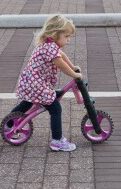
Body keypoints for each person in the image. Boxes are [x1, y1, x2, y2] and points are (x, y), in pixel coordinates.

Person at [8, 14, 82, 152]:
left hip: (30, 81)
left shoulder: (49, 44)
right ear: (55, 34)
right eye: (66, 36)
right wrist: (74, 74)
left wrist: (73, 67)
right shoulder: (50, 48)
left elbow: (62, 56)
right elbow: (60, 64)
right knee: (55, 109)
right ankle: (57, 141)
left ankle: (8, 123)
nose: (68, 40)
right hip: (36, 84)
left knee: (26, 103)